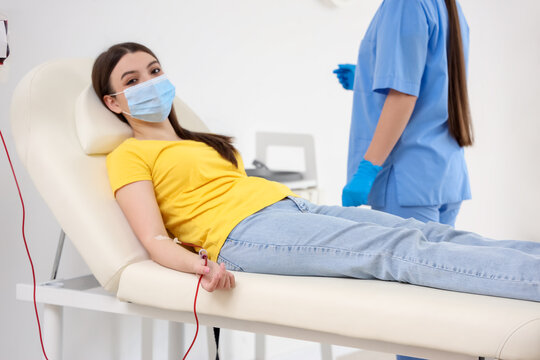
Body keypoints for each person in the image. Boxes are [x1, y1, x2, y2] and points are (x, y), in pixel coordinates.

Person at [92, 42, 540, 306]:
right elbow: (152, 239)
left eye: (154, 70)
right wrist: (200, 267)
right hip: (240, 235)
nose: (149, 82)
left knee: (421, 230)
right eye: (131, 81)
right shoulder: (128, 156)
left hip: (286, 208)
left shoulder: (199, 141)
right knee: (395, 249)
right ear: (113, 102)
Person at [334, 0, 472, 227]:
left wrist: (368, 169)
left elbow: (403, 96)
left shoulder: (405, 3)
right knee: (435, 262)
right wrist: (367, 78)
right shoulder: (448, 5)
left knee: (406, 263)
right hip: (445, 173)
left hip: (407, 180)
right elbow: (433, 79)